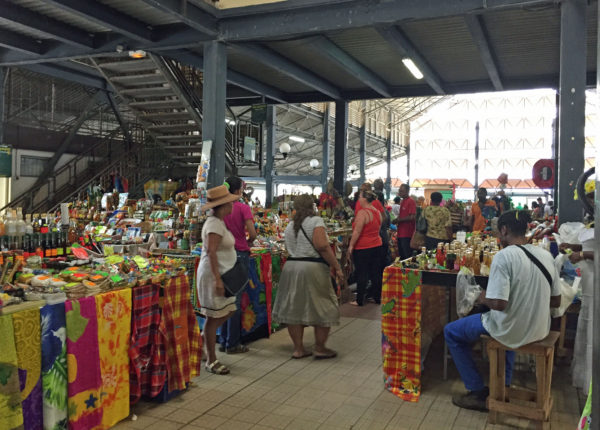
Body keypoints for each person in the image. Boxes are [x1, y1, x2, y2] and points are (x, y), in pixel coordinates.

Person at [444, 210, 561, 411]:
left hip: (511, 328)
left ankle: (477, 391)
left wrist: (479, 296)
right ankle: (503, 386)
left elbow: (499, 304)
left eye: (499, 232)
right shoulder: (546, 255)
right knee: (508, 325)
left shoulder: (504, 256)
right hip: (539, 328)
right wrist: (529, 301)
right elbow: (556, 300)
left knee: (452, 332)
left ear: (504, 230)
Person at [272, 194, 343, 359]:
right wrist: (336, 266)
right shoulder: (315, 221)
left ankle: (298, 349)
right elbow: (322, 245)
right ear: (312, 206)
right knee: (323, 306)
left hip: (291, 268)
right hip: (312, 267)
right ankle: (320, 347)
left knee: (294, 307)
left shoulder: (290, 225)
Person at [196, 185, 241, 375]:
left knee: (227, 311)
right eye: (230, 202)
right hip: (214, 275)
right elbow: (211, 252)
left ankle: (202, 345)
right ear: (223, 206)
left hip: (220, 273)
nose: (233, 205)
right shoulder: (214, 224)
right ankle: (211, 360)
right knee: (214, 317)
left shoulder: (219, 222)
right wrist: (217, 279)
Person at [220, 177, 257, 354]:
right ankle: (232, 343)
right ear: (238, 191)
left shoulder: (220, 209)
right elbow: (253, 233)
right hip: (239, 255)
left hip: (222, 255)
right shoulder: (243, 208)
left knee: (225, 299)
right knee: (234, 301)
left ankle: (224, 339)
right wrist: (248, 243)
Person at [348, 190, 383, 306]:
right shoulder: (377, 212)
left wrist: (351, 245)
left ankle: (359, 300)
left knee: (362, 273)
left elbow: (357, 231)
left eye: (359, 197)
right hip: (377, 245)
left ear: (364, 199)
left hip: (363, 247)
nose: (358, 199)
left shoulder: (363, 213)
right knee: (375, 272)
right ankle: (377, 297)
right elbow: (378, 227)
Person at [395, 184, 417, 260]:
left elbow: (412, 217)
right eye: (399, 191)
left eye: (401, 191)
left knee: (407, 256)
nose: (399, 192)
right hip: (401, 233)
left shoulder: (411, 201)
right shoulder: (402, 201)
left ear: (407, 191)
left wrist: (399, 220)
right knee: (402, 256)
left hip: (407, 234)